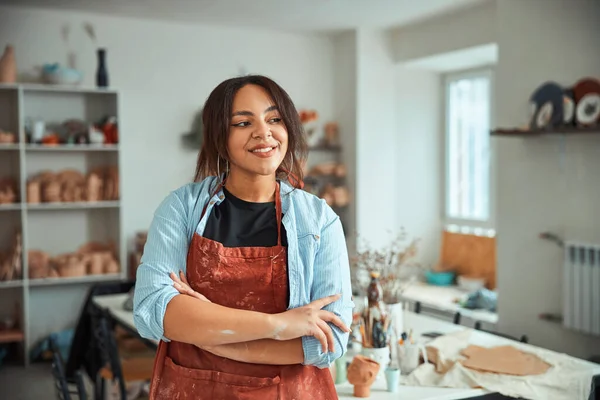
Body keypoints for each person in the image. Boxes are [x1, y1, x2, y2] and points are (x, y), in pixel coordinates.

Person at [133, 74, 354, 399]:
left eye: (274, 119)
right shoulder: (182, 208)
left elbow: (328, 340)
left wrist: (207, 336)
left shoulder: (319, 221)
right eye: (242, 122)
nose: (263, 132)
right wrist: (279, 326)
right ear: (220, 137)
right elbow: (154, 310)